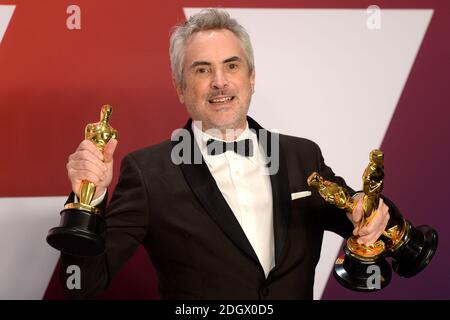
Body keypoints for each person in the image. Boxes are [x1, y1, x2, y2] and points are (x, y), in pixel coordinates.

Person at [61, 8, 391, 299]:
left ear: (251, 78)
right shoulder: (149, 173)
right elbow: (82, 284)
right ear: (180, 87)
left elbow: (376, 226)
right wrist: (89, 198)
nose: (220, 82)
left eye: (231, 66)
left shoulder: (302, 156)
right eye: (202, 70)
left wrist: (372, 210)